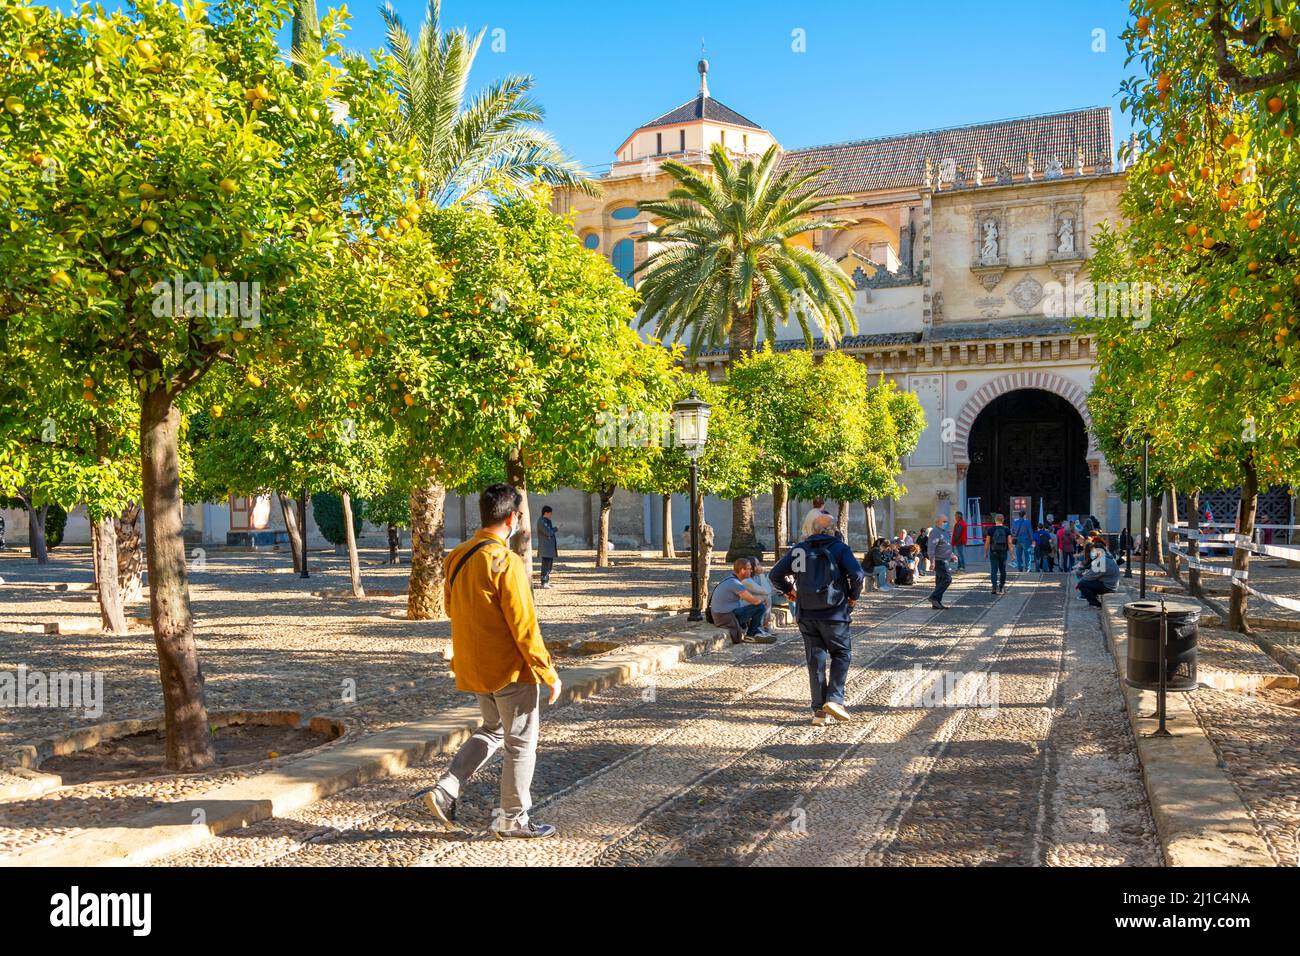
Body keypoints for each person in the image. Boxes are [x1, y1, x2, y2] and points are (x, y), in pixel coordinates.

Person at [421, 483, 560, 839]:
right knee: (521, 742)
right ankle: (513, 819)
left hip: (474, 666)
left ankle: (447, 788)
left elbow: (452, 608)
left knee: (493, 729)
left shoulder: (458, 555)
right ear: (512, 517)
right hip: (509, 669)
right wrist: (547, 672)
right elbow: (524, 625)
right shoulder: (506, 562)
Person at [770, 513, 865, 726]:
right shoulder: (840, 549)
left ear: (812, 530)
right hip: (834, 613)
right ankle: (834, 699)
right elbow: (858, 575)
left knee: (816, 661)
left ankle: (818, 713)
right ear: (834, 530)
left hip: (807, 612)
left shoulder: (800, 550)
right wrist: (852, 596)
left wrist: (789, 591)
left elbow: (775, 574)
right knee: (841, 654)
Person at [709, 558, 775, 644]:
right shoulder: (736, 584)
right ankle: (752, 633)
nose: (751, 571)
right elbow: (753, 601)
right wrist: (763, 600)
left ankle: (756, 630)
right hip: (726, 618)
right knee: (760, 607)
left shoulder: (731, 579)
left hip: (721, 616)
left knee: (756, 605)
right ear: (742, 570)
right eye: (749, 569)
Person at [742, 557, 782, 636]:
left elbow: (767, 591)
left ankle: (765, 625)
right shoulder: (747, 580)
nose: (760, 566)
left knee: (767, 597)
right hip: (744, 605)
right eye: (757, 564)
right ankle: (762, 626)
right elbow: (767, 590)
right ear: (753, 567)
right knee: (766, 597)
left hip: (753, 602)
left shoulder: (756, 577)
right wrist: (762, 574)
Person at [1077, 538, 1121, 607]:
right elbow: (1095, 572)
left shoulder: (1102, 560)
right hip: (1111, 584)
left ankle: (1095, 604)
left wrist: (1082, 579)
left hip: (1108, 587)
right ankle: (1094, 599)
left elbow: (1090, 576)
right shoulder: (1107, 557)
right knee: (1085, 582)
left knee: (1082, 584)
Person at [927, 513, 954, 609]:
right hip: (939, 561)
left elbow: (946, 545)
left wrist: (951, 555)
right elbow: (931, 547)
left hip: (945, 559)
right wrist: (932, 561)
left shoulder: (944, 532)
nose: (946, 523)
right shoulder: (935, 532)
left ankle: (936, 603)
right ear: (938, 521)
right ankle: (934, 597)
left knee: (940, 581)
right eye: (944, 521)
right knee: (947, 579)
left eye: (947, 521)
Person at [984, 512, 1011, 595]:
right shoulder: (1007, 529)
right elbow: (1009, 542)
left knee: (994, 570)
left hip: (993, 552)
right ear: (1003, 520)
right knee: (1003, 570)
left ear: (995, 520)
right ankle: (1002, 586)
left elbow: (987, 542)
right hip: (1003, 552)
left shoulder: (991, 529)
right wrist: (1012, 554)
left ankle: (994, 587)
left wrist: (985, 553)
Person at [536, 506, 558, 588]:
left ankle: (547, 581)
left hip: (549, 548)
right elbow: (548, 532)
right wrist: (556, 528)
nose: (551, 515)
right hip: (545, 548)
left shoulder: (547, 521)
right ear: (546, 513)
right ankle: (544, 582)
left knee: (549, 566)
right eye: (550, 513)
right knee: (545, 565)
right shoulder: (541, 521)